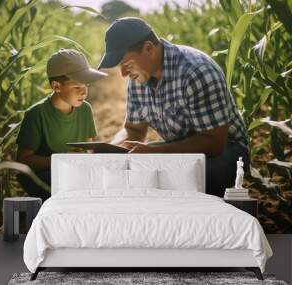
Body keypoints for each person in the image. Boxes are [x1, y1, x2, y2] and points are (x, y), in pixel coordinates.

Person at [98, 17, 249, 197]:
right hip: (179, 150)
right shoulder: (138, 80)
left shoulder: (196, 71)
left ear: (148, 48)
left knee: (170, 181)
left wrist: (154, 152)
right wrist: (110, 150)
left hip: (227, 152)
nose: (123, 74)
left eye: (127, 64)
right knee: (133, 175)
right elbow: (133, 130)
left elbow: (214, 142)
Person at [16, 49, 107, 201]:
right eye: (77, 87)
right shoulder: (36, 114)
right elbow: (23, 160)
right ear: (56, 86)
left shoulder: (85, 109)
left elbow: (87, 148)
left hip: (76, 172)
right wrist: (61, 160)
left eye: (86, 86)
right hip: (46, 175)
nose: (84, 93)